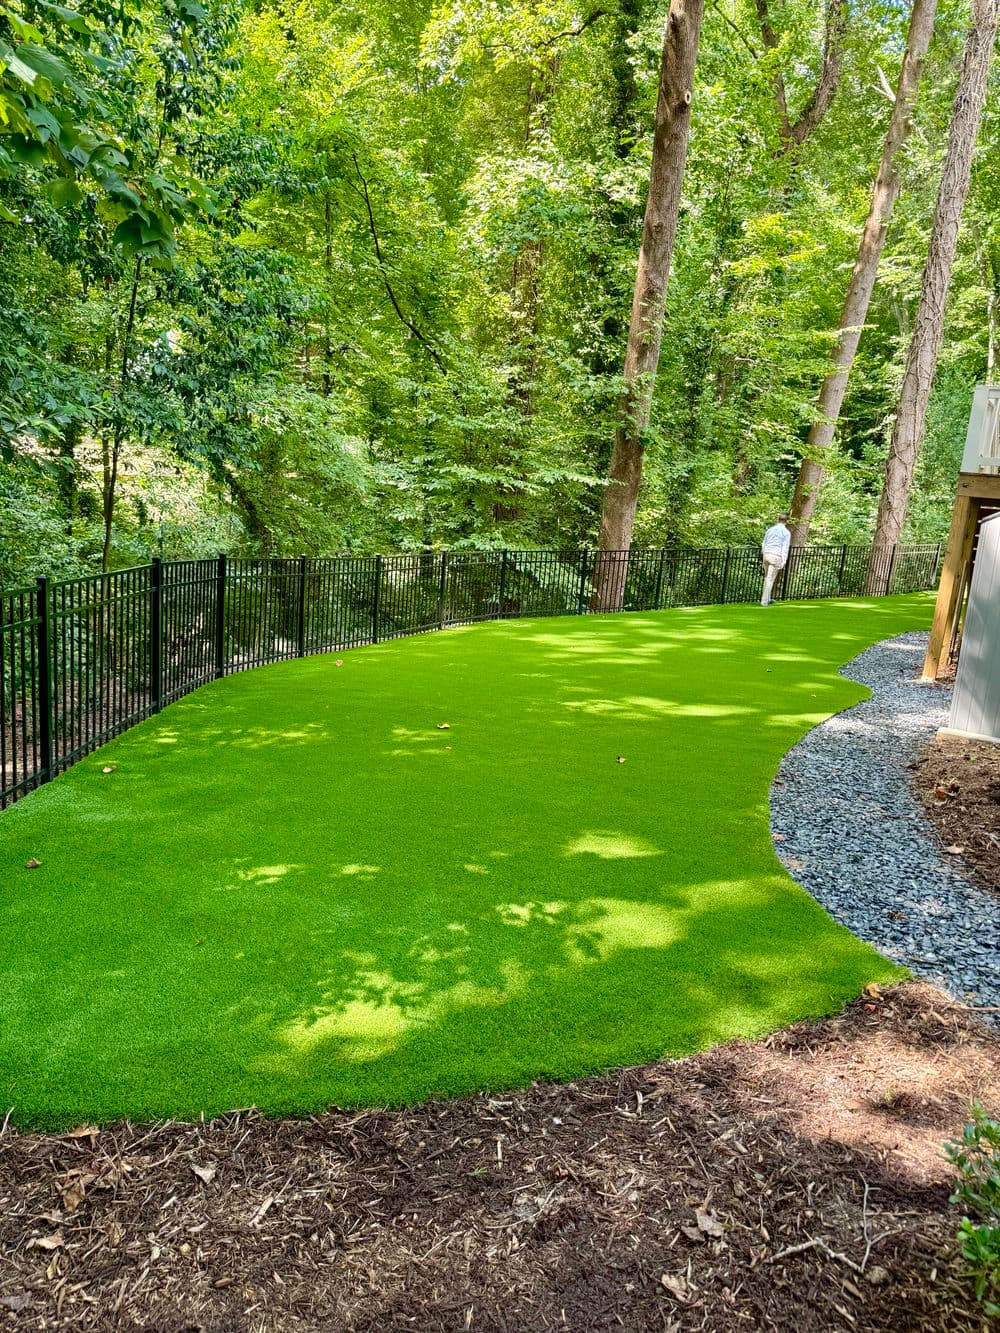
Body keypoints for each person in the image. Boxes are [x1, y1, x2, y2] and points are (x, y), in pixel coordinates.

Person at [760, 514, 791, 606]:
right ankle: (764, 601)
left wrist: (764, 553)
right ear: (786, 521)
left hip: (767, 554)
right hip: (776, 555)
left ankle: (767, 598)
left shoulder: (770, 530)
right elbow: (785, 548)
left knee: (767, 578)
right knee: (770, 578)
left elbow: (764, 542)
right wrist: (783, 560)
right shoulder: (786, 532)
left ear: (778, 520)